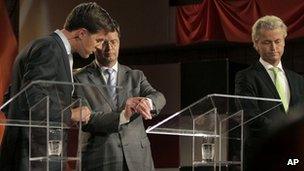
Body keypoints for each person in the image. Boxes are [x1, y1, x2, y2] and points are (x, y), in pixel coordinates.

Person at [0, 2, 114, 170]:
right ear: (82, 33)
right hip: (34, 156)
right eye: (98, 40)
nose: (98, 48)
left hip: (34, 152)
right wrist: (71, 114)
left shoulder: (52, 48)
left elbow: (12, 97)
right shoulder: (50, 48)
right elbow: (35, 101)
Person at [73, 20, 166, 171]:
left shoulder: (135, 76)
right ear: (95, 43)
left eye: (114, 42)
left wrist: (148, 102)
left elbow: (159, 96)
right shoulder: (79, 78)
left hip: (138, 158)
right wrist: (123, 116)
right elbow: (86, 119)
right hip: (100, 158)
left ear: (119, 43)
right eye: (103, 43)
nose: (109, 48)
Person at [235, 15, 304, 170]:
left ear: (284, 42)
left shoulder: (299, 80)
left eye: (278, 41)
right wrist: (284, 134)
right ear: (256, 44)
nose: (274, 47)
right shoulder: (246, 77)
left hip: (295, 159)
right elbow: (250, 116)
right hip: (264, 156)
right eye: (267, 42)